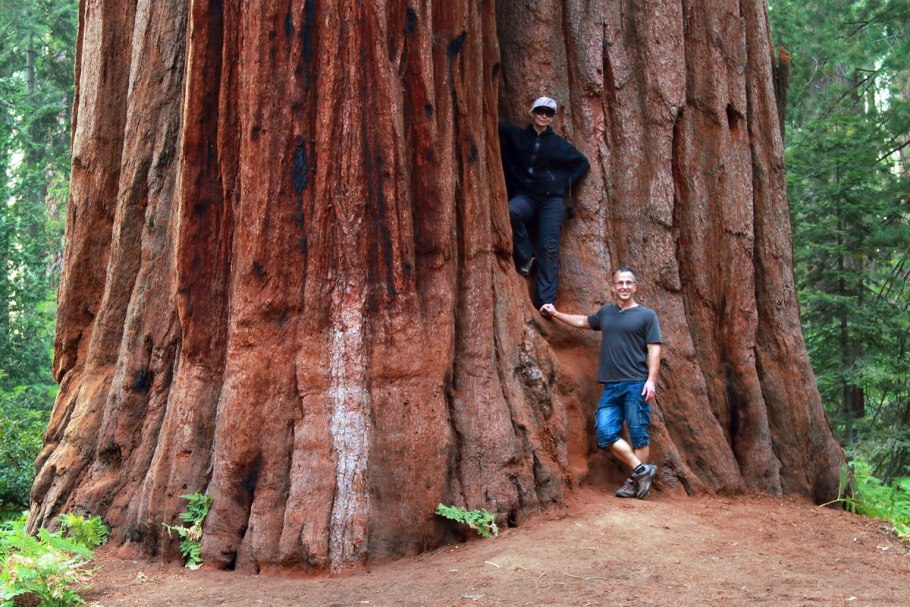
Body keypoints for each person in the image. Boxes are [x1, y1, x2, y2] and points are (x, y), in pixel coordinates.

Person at [540, 267, 663, 499]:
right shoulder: (606, 313)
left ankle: (635, 483)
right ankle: (642, 471)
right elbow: (583, 321)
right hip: (611, 386)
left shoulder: (647, 316)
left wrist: (651, 381)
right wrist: (556, 314)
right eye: (620, 283)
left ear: (635, 287)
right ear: (613, 287)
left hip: (636, 383)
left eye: (628, 282)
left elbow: (654, 349)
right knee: (605, 432)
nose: (624, 286)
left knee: (638, 435)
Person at [499, 96, 590, 309]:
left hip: (551, 201)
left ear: (552, 118)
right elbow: (498, 125)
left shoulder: (557, 144)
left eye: (548, 113)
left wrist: (563, 184)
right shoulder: (519, 137)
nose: (543, 116)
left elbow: (582, 163)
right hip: (527, 197)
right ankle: (526, 257)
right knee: (511, 211)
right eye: (540, 111)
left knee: (549, 247)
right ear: (532, 113)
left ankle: (545, 302)